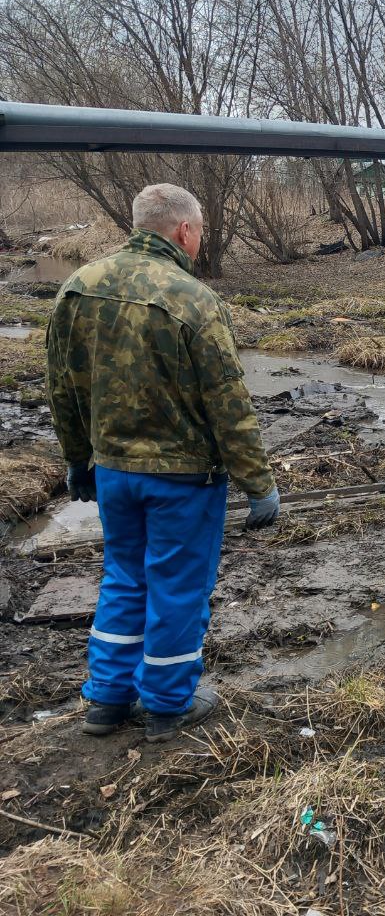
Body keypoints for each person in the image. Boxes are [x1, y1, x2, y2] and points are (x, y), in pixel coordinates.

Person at [45, 183, 280, 744]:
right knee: (177, 586)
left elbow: (63, 386)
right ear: (183, 230)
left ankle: (105, 699)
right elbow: (228, 402)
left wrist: (78, 461)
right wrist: (258, 484)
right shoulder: (192, 298)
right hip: (182, 478)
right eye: (199, 231)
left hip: (113, 473)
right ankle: (170, 704)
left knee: (124, 579)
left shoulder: (78, 288)